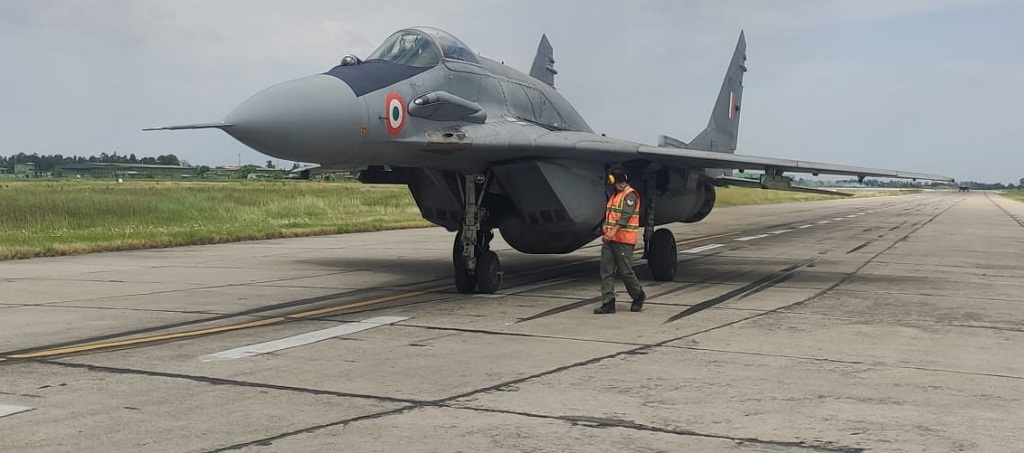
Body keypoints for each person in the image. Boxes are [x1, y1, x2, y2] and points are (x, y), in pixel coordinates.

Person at [595, 167, 646, 314]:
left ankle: (638, 296)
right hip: (610, 241)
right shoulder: (614, 196)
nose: (621, 185)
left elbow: (625, 216)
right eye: (618, 183)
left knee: (626, 271)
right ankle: (608, 302)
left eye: (622, 182)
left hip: (624, 240)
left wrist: (612, 232)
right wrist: (605, 228)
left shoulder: (630, 195)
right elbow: (611, 216)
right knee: (606, 271)